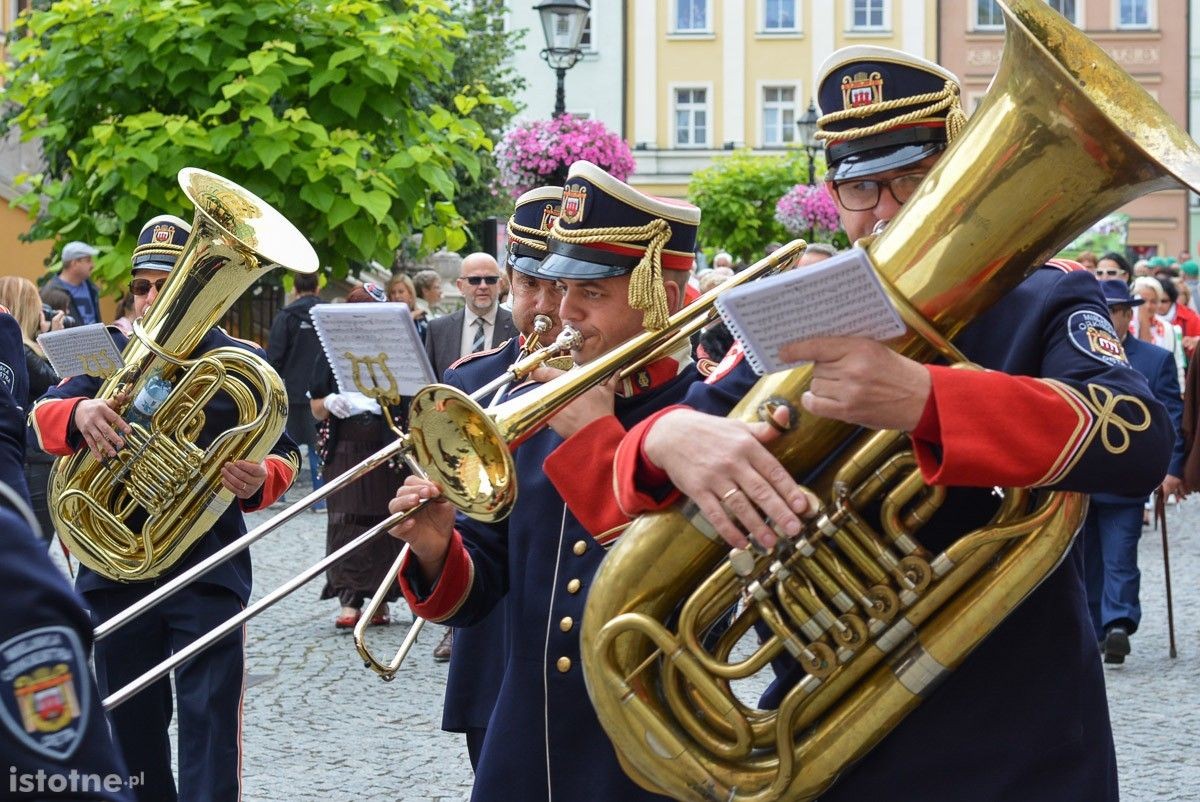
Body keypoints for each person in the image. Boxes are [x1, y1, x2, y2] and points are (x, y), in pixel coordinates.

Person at [609, 47, 1172, 802]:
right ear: (833, 195)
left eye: (910, 180)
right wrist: (661, 439)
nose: (884, 210)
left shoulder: (1041, 301)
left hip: (1016, 731)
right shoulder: (800, 314)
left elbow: (1138, 438)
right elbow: (690, 436)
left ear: (957, 174)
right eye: (858, 186)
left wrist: (928, 400)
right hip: (825, 740)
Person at [388, 161, 704, 801]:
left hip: (652, 752)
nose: (565, 314)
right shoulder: (540, 406)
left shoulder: (703, 411)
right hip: (528, 743)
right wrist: (435, 547)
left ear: (664, 298)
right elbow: (484, 582)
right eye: (561, 290)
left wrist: (595, 437)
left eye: (593, 293)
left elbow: (688, 583)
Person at [28, 214, 300, 802]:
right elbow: (40, 417)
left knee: (209, 721)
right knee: (127, 725)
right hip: (113, 571)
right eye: (143, 287)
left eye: (163, 283)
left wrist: (259, 479)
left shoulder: (239, 363)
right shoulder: (109, 354)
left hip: (205, 566)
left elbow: (287, 455)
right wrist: (77, 415)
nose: (151, 297)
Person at [438, 185, 565, 768]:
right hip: (492, 638)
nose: (543, 305)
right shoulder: (471, 382)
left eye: (559, 286)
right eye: (528, 284)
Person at [1083, 280, 1184, 665]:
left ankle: (1118, 624)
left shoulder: (1154, 360)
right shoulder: (1078, 355)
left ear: (1128, 314)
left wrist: (1171, 469)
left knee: (1120, 554)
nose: (1107, 319)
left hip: (1128, 478)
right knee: (1087, 557)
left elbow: (1171, 418)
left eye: (1114, 311)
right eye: (1100, 311)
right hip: (1084, 475)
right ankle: (1092, 628)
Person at [308, 281, 407, 629]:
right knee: (344, 520)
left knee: (384, 520)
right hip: (345, 449)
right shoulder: (329, 348)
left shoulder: (396, 348)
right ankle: (349, 599)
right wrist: (331, 403)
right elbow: (316, 406)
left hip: (384, 445)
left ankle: (380, 600)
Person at [0, 276, 62, 542]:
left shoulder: (22, 347)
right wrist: (54, 339)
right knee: (33, 543)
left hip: (28, 459)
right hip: (32, 461)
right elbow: (59, 383)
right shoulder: (20, 348)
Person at [266, 271, 325, 504]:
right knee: (317, 446)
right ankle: (320, 499)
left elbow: (274, 357)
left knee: (283, 445)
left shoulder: (286, 316)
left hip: (289, 390)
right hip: (320, 391)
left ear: (295, 289)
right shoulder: (326, 314)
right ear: (318, 288)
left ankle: (279, 495)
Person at [424, 253, 518, 379]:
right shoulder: (438, 329)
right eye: (474, 280)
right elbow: (431, 381)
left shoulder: (518, 326)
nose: (483, 286)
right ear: (460, 286)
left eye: (490, 280)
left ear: (500, 285)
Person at [43, 241, 102, 326]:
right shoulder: (51, 292)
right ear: (74, 263)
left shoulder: (91, 287)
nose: (92, 265)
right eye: (88, 260)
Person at [386, 273, 429, 342]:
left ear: (411, 295)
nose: (397, 296)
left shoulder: (420, 319)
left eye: (401, 292)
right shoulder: (386, 318)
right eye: (393, 293)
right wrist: (410, 316)